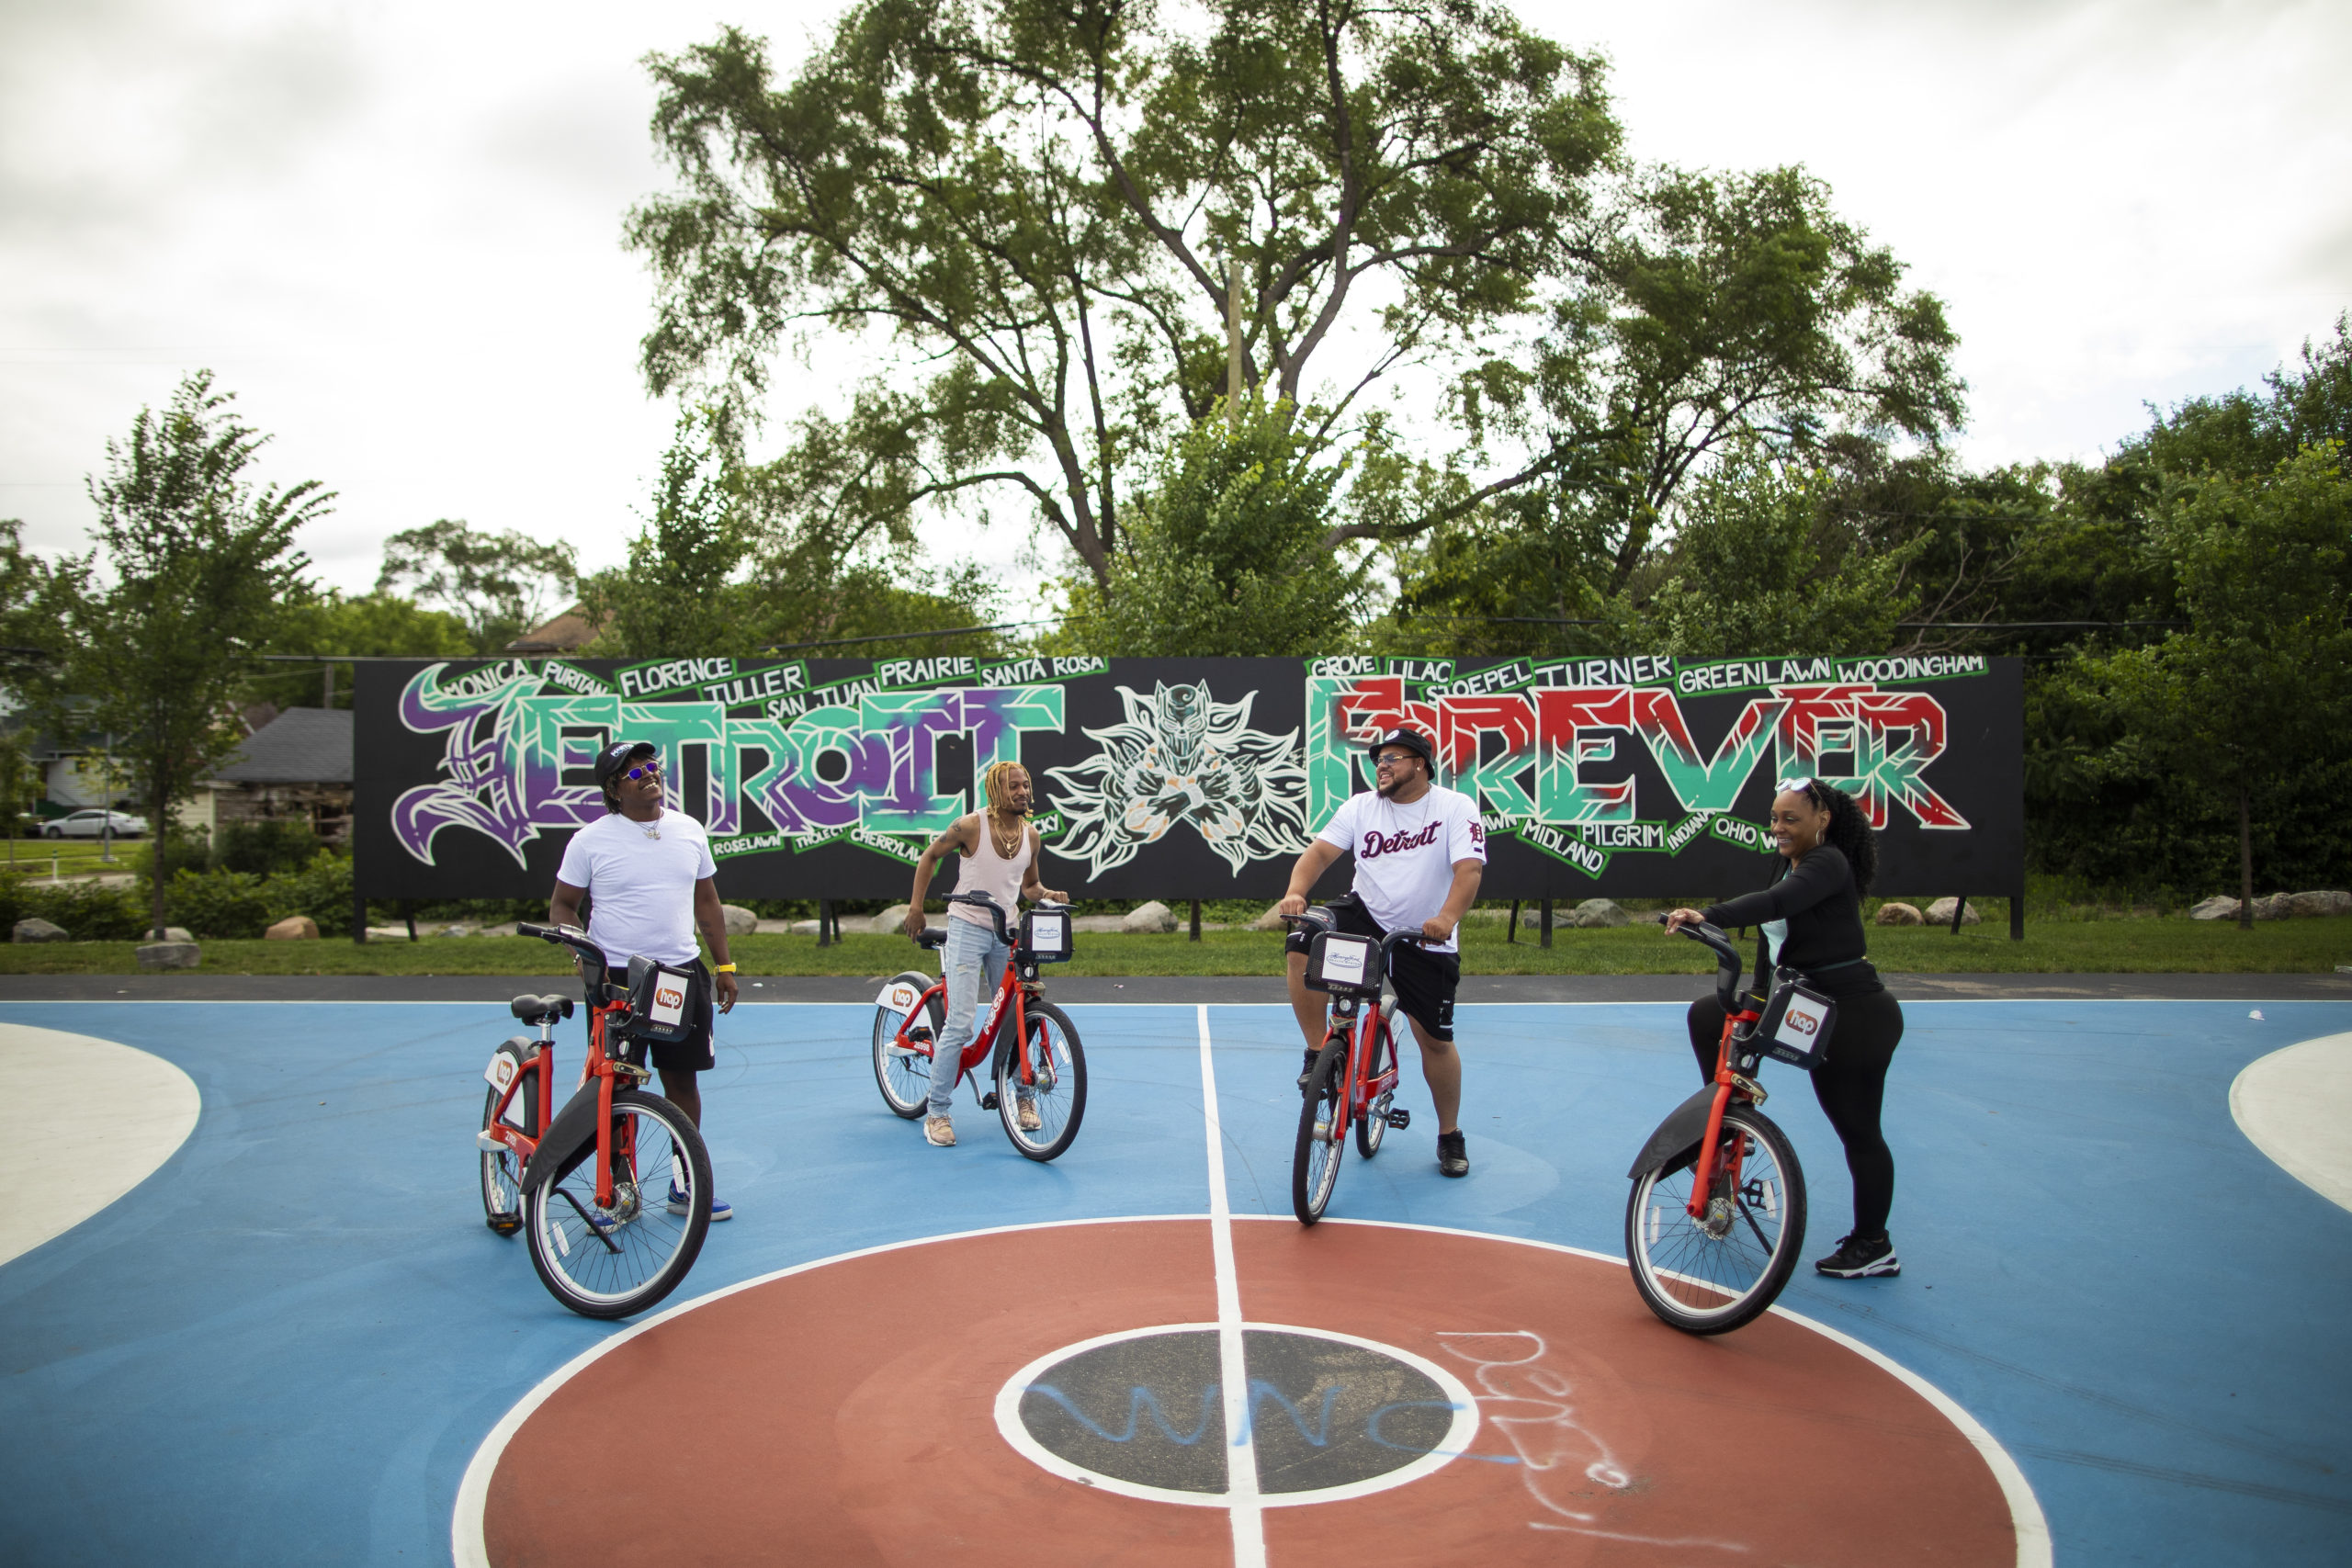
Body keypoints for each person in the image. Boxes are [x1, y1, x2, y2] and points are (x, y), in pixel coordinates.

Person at [1662, 776, 1905, 1278]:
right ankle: (1729, 1125)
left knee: (1858, 1133)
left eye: (1790, 818)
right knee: (1709, 1016)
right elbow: (1771, 948)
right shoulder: (1791, 861)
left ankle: (1873, 1244)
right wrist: (1751, 1002)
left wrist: (1708, 915)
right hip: (1807, 1006)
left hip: (1854, 1016)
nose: (1778, 827)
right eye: (1774, 818)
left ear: (1823, 820)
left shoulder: (1827, 862)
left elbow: (1776, 905)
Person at [1274, 725, 1486, 1177]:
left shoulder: (1454, 806)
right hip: (1365, 913)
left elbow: (1468, 871)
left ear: (1420, 764)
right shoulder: (1362, 806)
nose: (1381, 766)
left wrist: (1446, 919)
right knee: (1301, 939)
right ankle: (1318, 1053)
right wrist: (1296, 892)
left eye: (1392, 758)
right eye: (1378, 759)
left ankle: (1450, 1135)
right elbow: (1318, 855)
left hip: (1426, 933)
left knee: (1434, 1040)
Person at [548, 739, 741, 1221]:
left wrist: (725, 966)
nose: (648, 775)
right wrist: (580, 950)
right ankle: (621, 1187)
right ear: (614, 789)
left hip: (679, 973)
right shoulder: (589, 841)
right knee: (615, 1086)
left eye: (651, 766)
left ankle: (684, 1181)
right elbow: (563, 906)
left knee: (682, 1080)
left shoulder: (688, 829)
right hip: (617, 978)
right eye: (633, 773)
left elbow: (707, 903)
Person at [903, 760, 1068, 1147]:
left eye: (1025, 785)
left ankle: (1022, 1097)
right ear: (996, 790)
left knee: (1018, 1018)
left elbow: (1029, 886)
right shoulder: (970, 826)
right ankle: (938, 1112)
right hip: (967, 926)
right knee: (960, 1022)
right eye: (1014, 786)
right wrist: (915, 907)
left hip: (1006, 931)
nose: (1023, 792)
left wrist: (1048, 894)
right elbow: (929, 857)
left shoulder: (1031, 835)